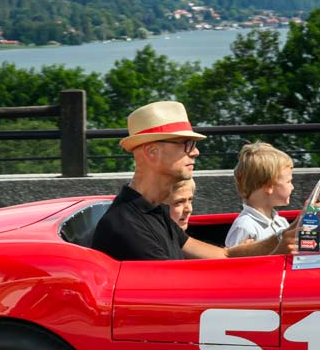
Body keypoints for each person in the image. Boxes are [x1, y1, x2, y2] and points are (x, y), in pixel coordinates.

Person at [90, 100, 296, 261]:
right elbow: (177, 292)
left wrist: (284, 236)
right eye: (186, 144)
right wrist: (279, 250)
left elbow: (224, 256)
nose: (195, 152)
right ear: (152, 151)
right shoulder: (127, 226)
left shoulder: (154, 211)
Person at [226, 143, 294, 248]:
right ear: (269, 186)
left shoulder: (281, 222)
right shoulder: (245, 227)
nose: (292, 187)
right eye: (289, 181)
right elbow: (232, 262)